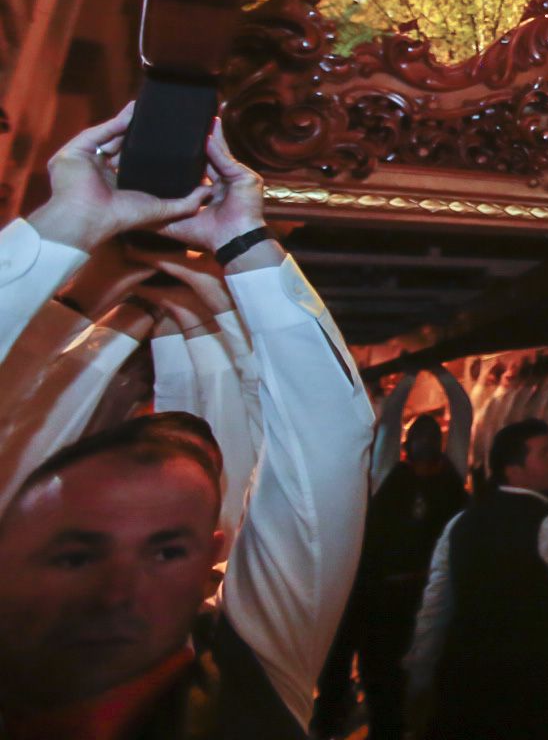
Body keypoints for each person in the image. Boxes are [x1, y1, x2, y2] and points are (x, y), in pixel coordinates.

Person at [0, 110, 374, 738]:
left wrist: (243, 242)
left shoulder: (256, 666)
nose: (118, 593)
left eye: (166, 551)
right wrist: (70, 221)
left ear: (211, 560)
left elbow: (328, 439)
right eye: (75, 553)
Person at [406, 418, 548, 739]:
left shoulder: (460, 524)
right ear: (513, 469)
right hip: (540, 689)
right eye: (544, 453)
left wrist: (420, 671)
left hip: (471, 689)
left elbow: (435, 607)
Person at [315, 411, 467, 740]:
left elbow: (462, 418)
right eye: (419, 439)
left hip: (425, 590)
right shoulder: (390, 476)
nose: (425, 445)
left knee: (404, 671)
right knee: (379, 669)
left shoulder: (450, 481)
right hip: (382, 589)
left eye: (430, 439)